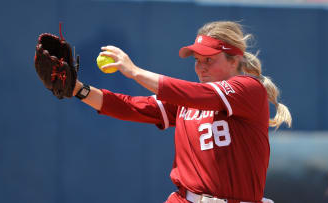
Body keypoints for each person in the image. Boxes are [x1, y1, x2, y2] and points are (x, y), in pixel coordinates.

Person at [72, 21, 292, 203]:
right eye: (197, 60)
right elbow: (131, 106)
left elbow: (198, 94)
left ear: (234, 60)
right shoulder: (187, 100)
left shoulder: (248, 89)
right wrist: (79, 90)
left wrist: (135, 72)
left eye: (209, 60)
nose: (201, 67)